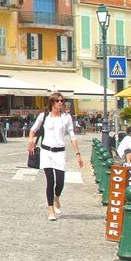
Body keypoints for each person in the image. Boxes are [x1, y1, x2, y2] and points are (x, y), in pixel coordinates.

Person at [28, 92, 83, 221]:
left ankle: (57, 197)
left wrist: (78, 154)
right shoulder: (44, 116)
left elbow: (72, 137)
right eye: (58, 101)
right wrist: (31, 141)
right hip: (46, 152)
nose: (60, 103)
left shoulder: (66, 118)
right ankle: (50, 209)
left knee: (60, 182)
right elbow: (33, 130)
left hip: (60, 152)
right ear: (52, 103)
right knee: (50, 181)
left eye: (61, 101)